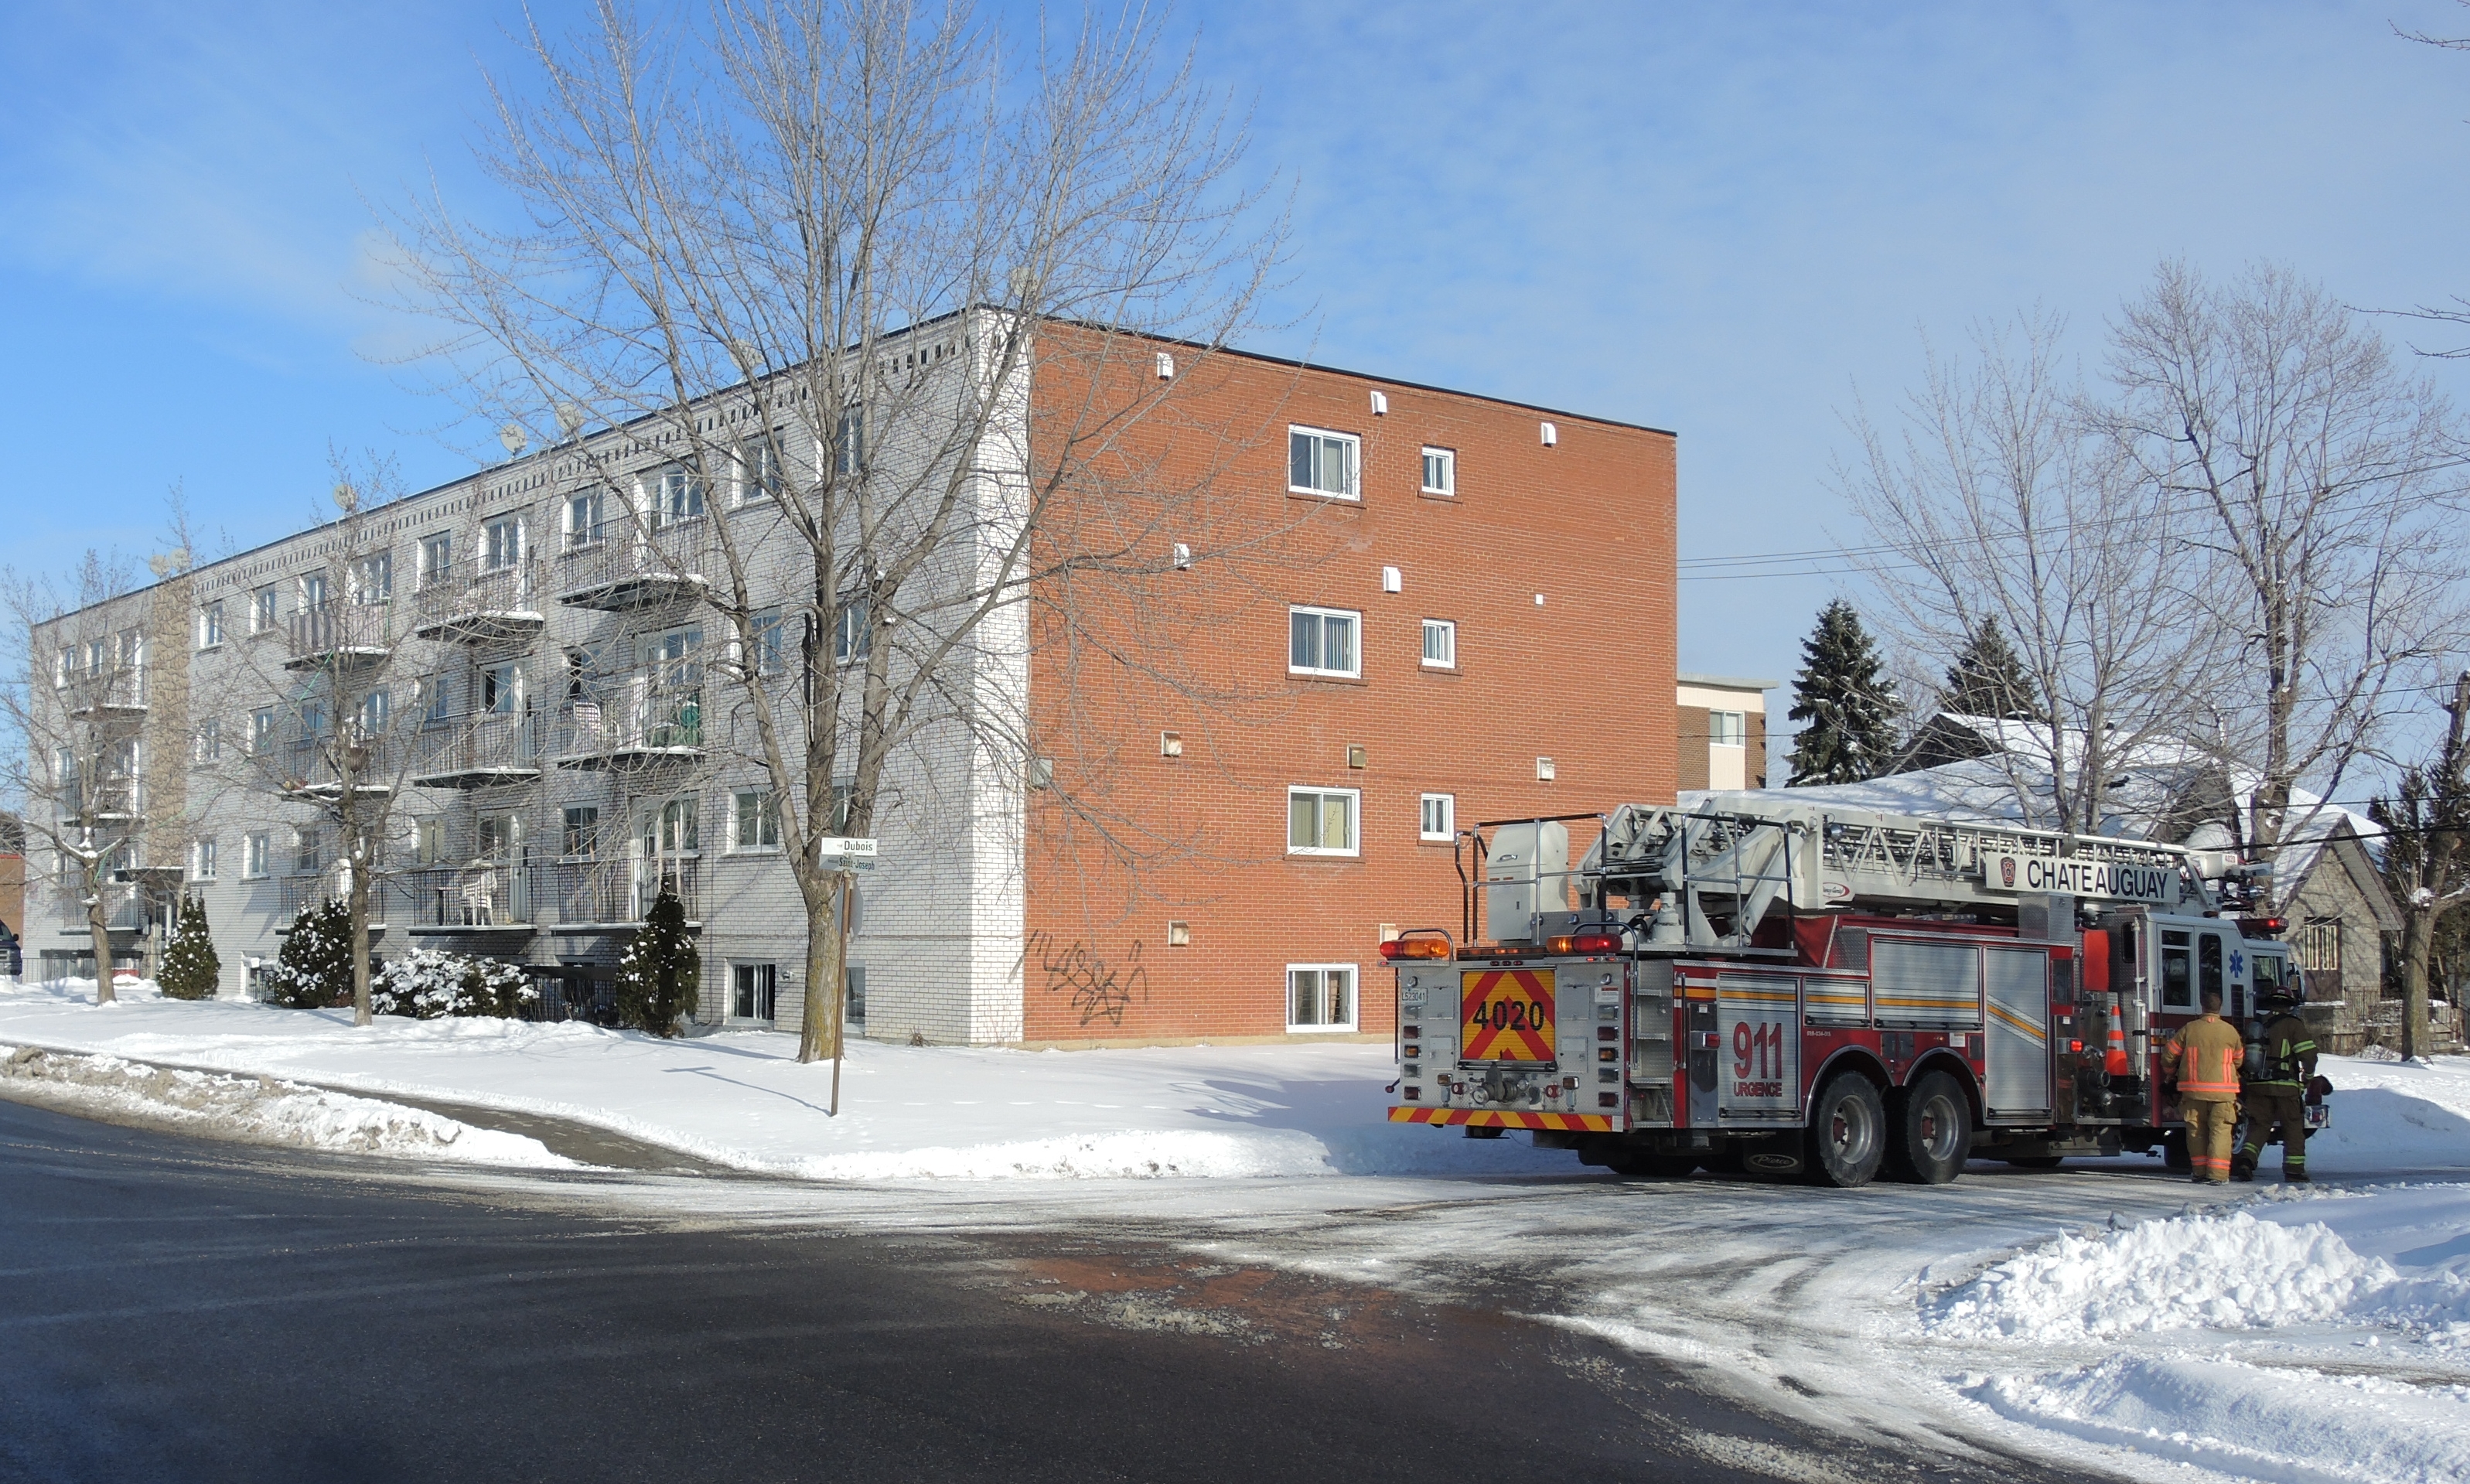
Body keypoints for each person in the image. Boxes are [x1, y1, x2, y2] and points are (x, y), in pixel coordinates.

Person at [2233, 991, 2318, 1183]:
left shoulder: (2257, 1025)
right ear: (2289, 1005)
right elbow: (2308, 1055)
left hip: (2257, 1087)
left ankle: (2246, 1162)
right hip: (2285, 1087)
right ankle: (2294, 1170)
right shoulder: (2293, 1025)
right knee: (2293, 1128)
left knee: (2259, 1126)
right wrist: (2308, 1077)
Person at [2165, 987, 2244, 1184]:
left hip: (2193, 1093)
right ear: (2220, 1008)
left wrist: (2170, 1075)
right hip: (2224, 1095)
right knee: (2221, 1131)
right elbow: (2239, 1060)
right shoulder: (2230, 1031)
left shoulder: (2189, 1029)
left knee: (2196, 1132)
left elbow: (2168, 1056)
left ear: (2202, 1006)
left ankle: (2199, 1173)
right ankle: (2218, 1175)